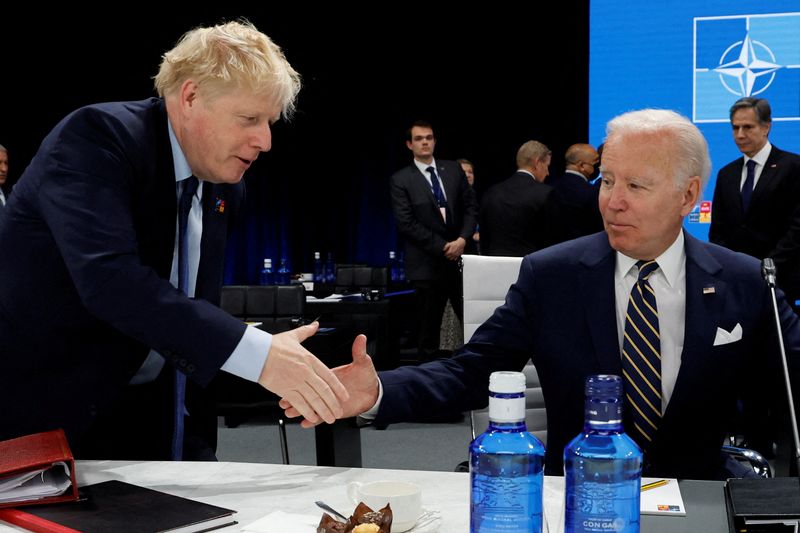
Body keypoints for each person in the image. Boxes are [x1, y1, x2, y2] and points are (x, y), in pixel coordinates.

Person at [285, 109, 800, 480]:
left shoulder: (747, 280)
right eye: (606, 181)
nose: (613, 202)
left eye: (636, 187)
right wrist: (376, 392)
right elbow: (471, 370)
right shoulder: (551, 274)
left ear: (688, 195)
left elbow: (793, 382)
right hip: (577, 498)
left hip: (699, 498)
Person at [0, 21, 348, 460]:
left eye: (270, 122)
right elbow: (111, 281)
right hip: (42, 421)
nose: (265, 140)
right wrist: (260, 357)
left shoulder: (225, 183)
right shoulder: (95, 140)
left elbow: (189, 311)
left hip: (153, 420)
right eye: (249, 119)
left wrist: (198, 445)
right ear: (190, 97)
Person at [390, 121, 478, 359]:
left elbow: (471, 208)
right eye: (419, 139)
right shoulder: (401, 179)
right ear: (410, 145)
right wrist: (443, 247)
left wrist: (461, 239)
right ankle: (426, 385)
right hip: (427, 265)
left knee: (474, 324)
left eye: (429, 137)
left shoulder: (453, 170)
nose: (425, 142)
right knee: (427, 333)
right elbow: (406, 223)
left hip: (461, 261)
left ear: (435, 141)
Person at [709, 97, 800, 309]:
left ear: (766, 127)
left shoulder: (793, 167)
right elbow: (718, 230)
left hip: (782, 281)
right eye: (735, 128)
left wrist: (768, 267)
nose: (740, 135)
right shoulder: (726, 174)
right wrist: (731, 267)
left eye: (747, 127)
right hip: (736, 283)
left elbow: (797, 228)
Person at [479, 140, 558, 256]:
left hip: (494, 267)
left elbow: (484, 238)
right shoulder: (547, 194)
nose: (548, 173)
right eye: (547, 166)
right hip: (531, 268)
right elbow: (552, 238)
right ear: (537, 163)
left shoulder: (491, 192)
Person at [547, 143, 604, 241]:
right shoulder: (591, 193)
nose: (598, 167)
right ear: (582, 166)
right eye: (595, 162)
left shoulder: (549, 189)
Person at [457, 158, 480, 255]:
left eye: (470, 172)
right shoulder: (450, 200)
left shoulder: (478, 197)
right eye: (463, 172)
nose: (467, 175)